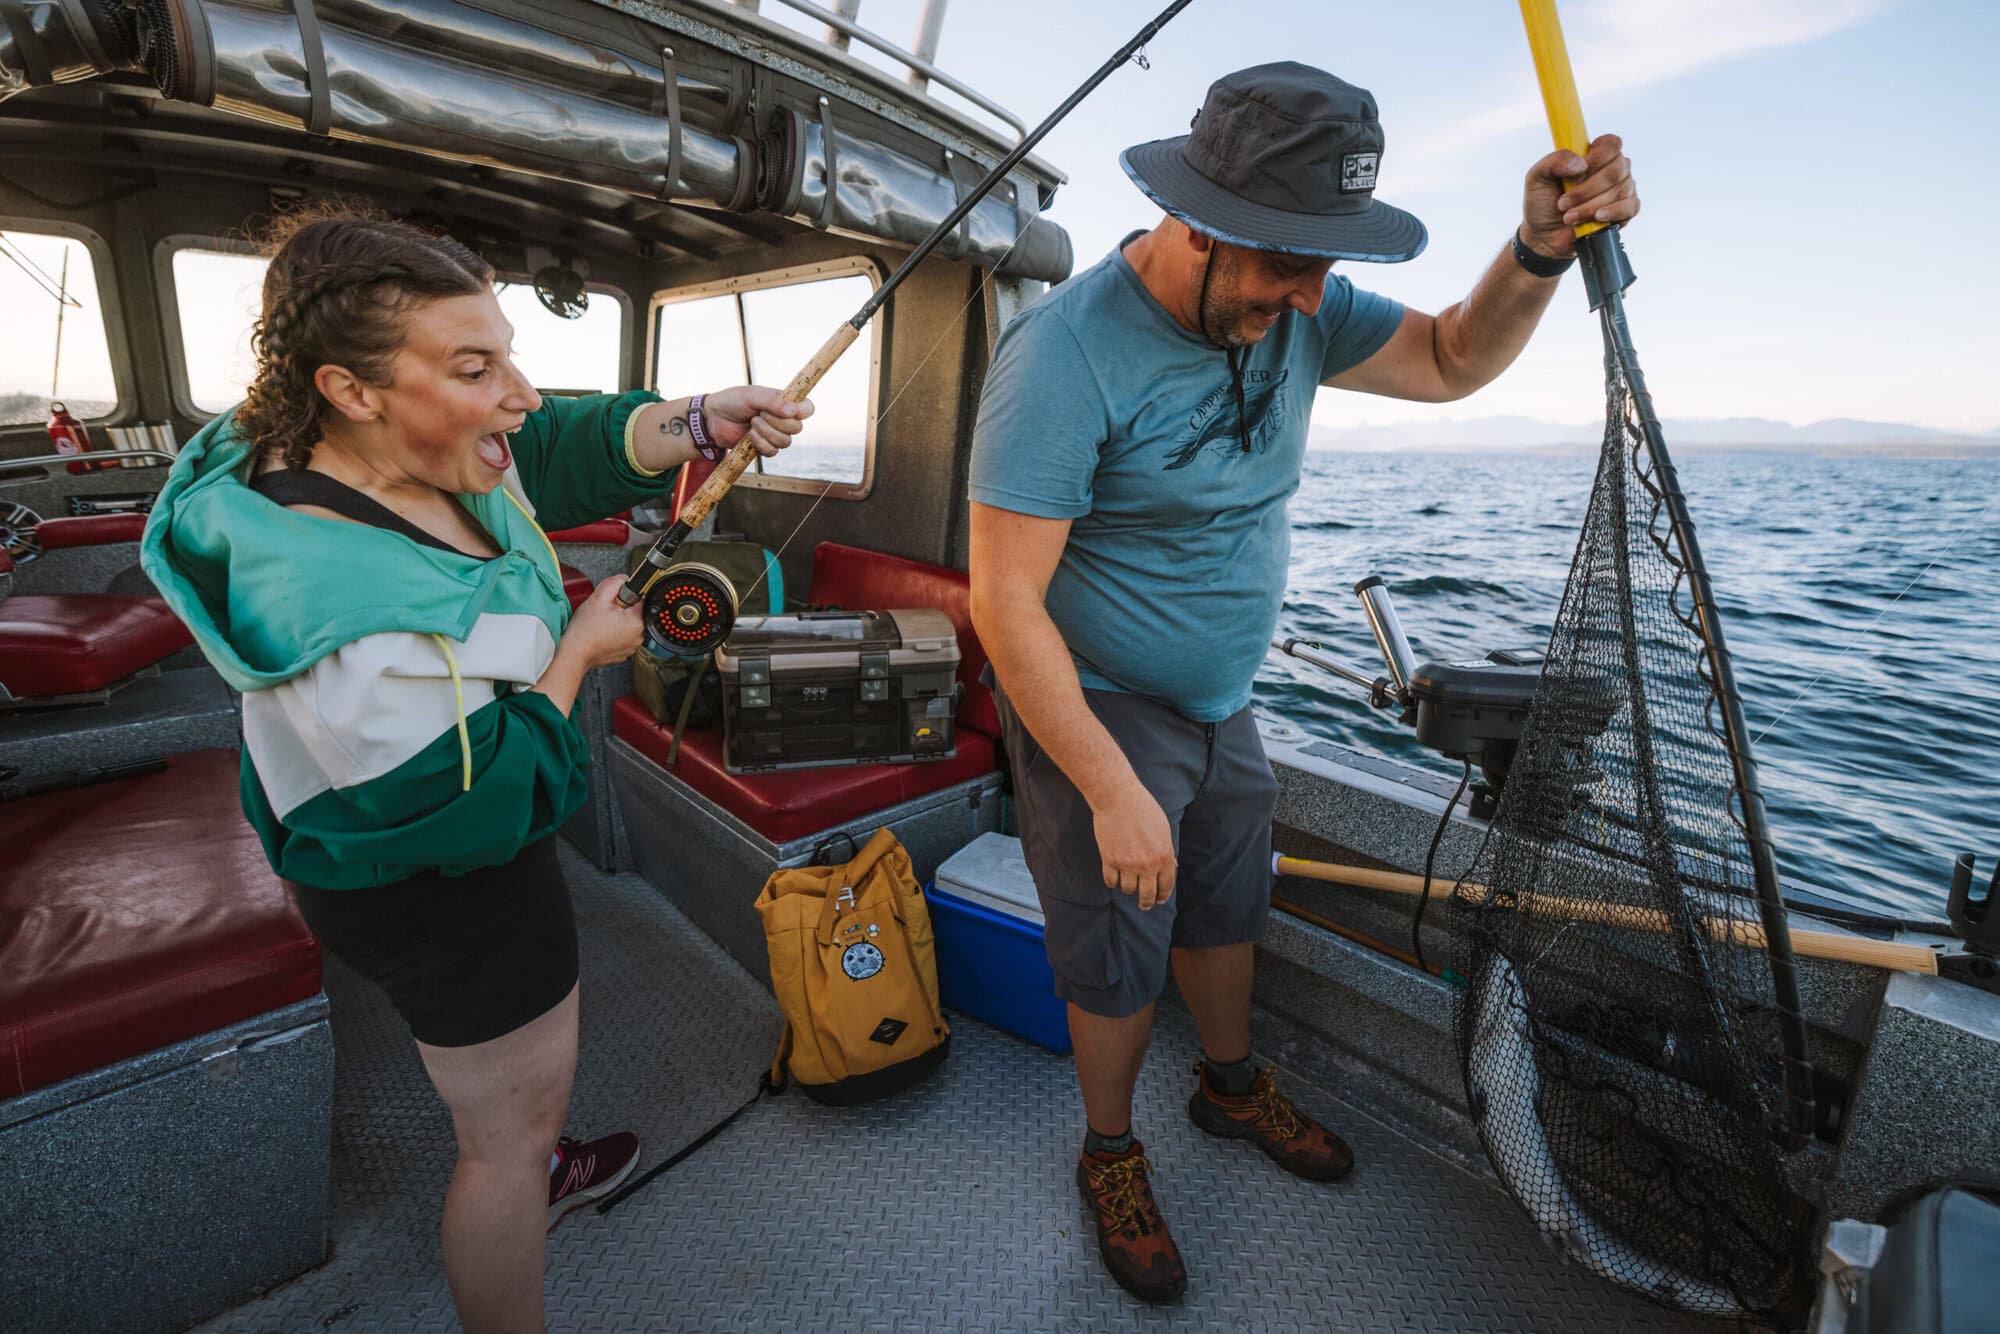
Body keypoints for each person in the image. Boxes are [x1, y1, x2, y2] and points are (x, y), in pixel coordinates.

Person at [967, 63, 1638, 1303]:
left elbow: (1445, 359)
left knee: (1226, 904)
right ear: (1195, 224)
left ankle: (1228, 1087)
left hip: (1226, 703)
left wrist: (1535, 252)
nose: (1309, 295)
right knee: (1116, 946)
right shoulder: (1061, 356)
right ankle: (1108, 1147)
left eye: (1323, 265)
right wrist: (1106, 785)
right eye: (1286, 263)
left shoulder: (1296, 308)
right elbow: (1003, 602)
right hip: (1097, 704)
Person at [141, 206, 811, 1332]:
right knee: (500, 1142)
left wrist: (693, 419)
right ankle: (525, 1184)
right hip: (442, 888)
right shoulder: (352, 618)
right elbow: (477, 797)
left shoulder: (370, 445)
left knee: (505, 1106)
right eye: (474, 365)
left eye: (507, 352)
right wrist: (579, 654)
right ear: (349, 388)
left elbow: (537, 457)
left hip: (402, 845)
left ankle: (535, 1157)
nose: (522, 392)